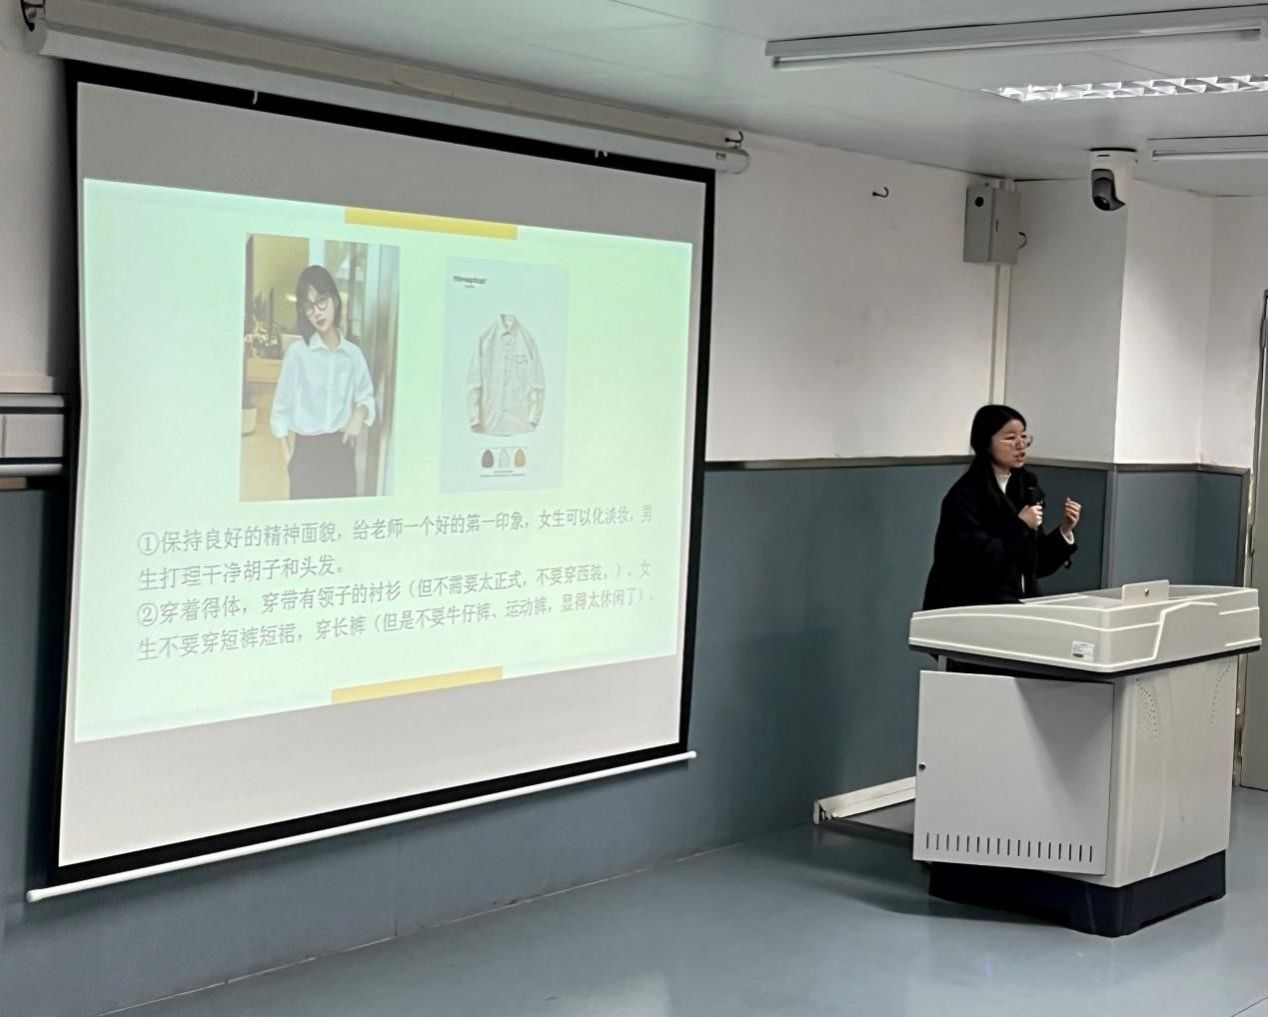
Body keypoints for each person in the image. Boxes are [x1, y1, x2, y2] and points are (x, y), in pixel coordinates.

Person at [923, 405, 1082, 610]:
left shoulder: (1028, 487)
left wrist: (1064, 531)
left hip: (1017, 604)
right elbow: (973, 563)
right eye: (1010, 438)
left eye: (1024, 436)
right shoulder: (964, 496)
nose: (1021, 445)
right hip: (969, 606)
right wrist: (1021, 526)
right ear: (986, 442)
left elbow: (1035, 565)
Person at [269, 265, 376, 500]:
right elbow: (280, 410)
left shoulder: (353, 355)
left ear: (335, 301)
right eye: (309, 307)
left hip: (341, 453)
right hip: (306, 456)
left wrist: (359, 414)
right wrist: (289, 459)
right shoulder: (298, 354)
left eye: (321, 301)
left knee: (342, 519)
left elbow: (366, 397)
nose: (317, 312)